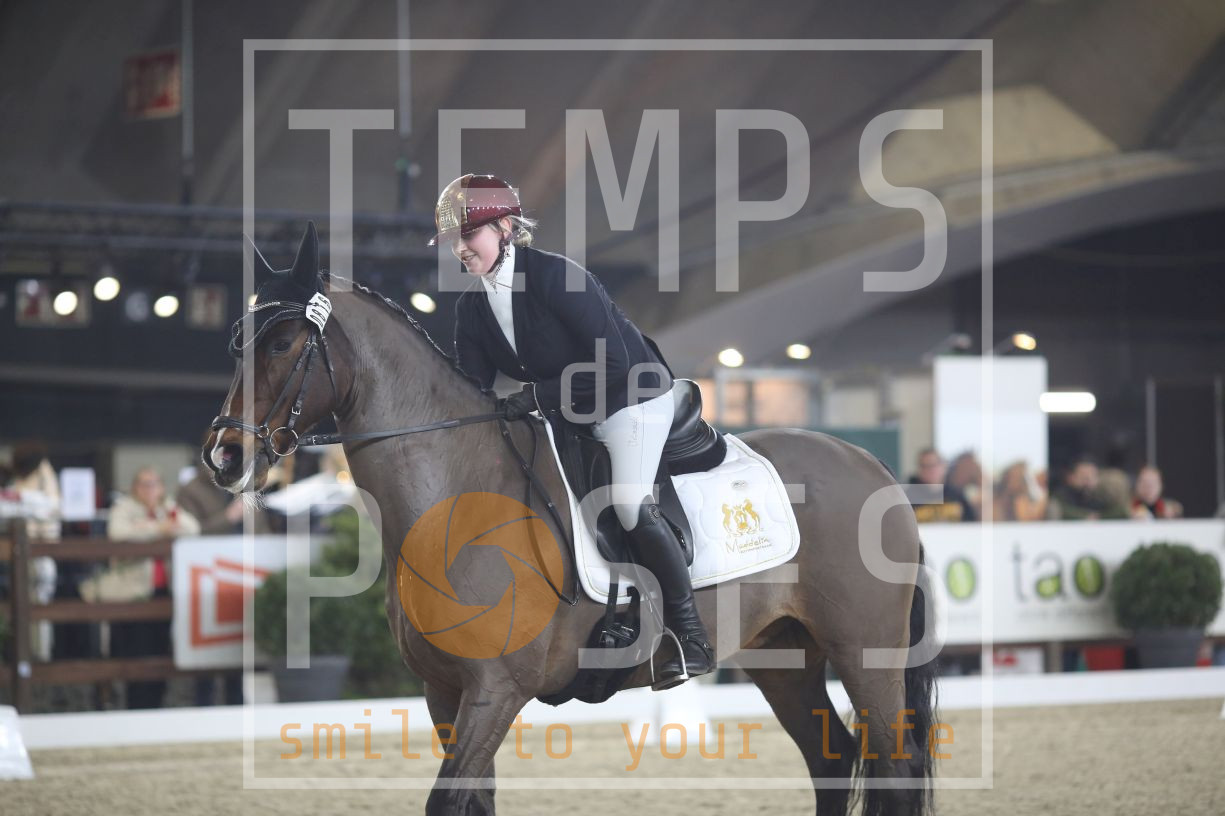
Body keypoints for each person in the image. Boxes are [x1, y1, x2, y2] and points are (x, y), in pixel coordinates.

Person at [439, 173, 712, 687]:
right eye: (454, 239)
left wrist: (536, 398)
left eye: (468, 235)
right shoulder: (471, 308)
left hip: (630, 396)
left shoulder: (557, 277)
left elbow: (611, 362)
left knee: (628, 505)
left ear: (505, 228)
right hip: (569, 412)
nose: (459, 249)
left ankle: (689, 635)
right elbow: (469, 390)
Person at [107, 467, 200, 708]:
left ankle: (157, 703)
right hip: (133, 593)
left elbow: (192, 528)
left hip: (163, 591)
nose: (150, 489)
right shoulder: (124, 508)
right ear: (135, 487)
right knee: (136, 651)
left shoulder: (166, 508)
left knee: (160, 648)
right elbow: (118, 533)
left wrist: (159, 519)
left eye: (154, 484)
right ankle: (136, 705)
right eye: (144, 484)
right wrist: (158, 528)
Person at [1048, 457, 1127, 521]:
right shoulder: (1062, 497)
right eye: (1083, 476)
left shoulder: (1103, 496)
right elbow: (1060, 508)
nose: (1088, 481)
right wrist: (1084, 516)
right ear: (1070, 478)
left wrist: (1100, 517)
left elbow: (1121, 510)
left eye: (1092, 476)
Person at [906, 448, 971, 523]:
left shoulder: (957, 494)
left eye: (934, 465)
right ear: (919, 469)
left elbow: (972, 523)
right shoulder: (908, 497)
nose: (930, 470)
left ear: (943, 466)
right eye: (924, 466)